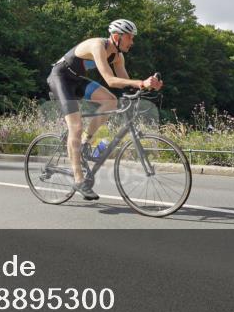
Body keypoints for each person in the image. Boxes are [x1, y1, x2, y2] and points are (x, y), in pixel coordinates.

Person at [46, 19, 162, 201]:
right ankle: (78, 179)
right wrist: (141, 82)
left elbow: (126, 84)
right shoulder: (97, 46)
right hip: (60, 78)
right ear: (117, 36)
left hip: (77, 80)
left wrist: (148, 86)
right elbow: (110, 80)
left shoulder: (118, 56)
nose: (132, 42)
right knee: (75, 127)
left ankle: (85, 142)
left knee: (111, 101)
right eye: (130, 38)